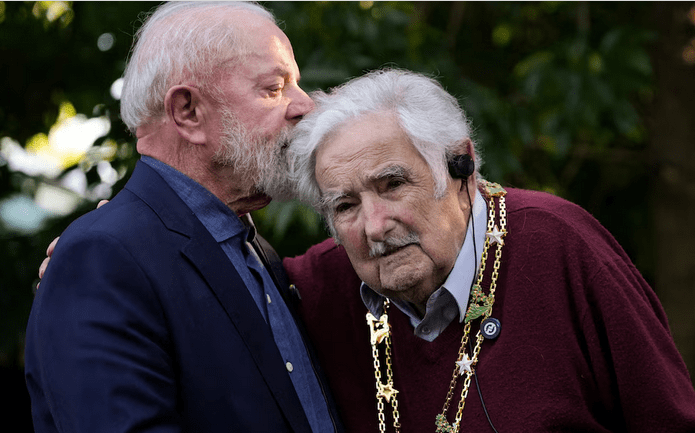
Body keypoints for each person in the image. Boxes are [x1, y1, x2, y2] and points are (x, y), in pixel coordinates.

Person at [283, 68, 695, 432]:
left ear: (461, 166)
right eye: (345, 206)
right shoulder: (319, 286)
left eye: (392, 185)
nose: (374, 226)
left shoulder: (560, 243)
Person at [24, 2, 342, 432]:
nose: (305, 105)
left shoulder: (252, 250)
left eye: (296, 85)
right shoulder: (103, 259)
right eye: (274, 88)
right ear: (188, 112)